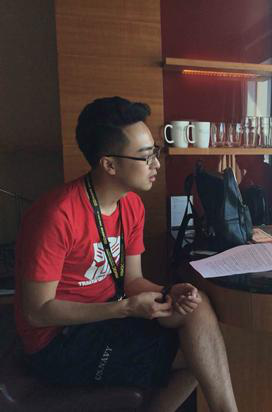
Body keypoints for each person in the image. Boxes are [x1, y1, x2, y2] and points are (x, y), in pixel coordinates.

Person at [14, 97, 239, 412]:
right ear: (109, 164)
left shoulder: (131, 205)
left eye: (155, 152)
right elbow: (37, 312)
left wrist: (168, 291)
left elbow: (132, 281)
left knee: (198, 309)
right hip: (58, 340)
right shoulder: (56, 215)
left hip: (110, 315)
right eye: (146, 157)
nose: (156, 165)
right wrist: (125, 308)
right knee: (200, 357)